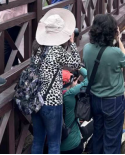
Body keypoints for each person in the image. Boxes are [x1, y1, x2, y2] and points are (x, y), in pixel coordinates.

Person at [31, 9, 81, 155]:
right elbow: (76, 63)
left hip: (35, 100)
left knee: (38, 141)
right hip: (52, 103)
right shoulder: (57, 51)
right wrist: (71, 43)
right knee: (54, 143)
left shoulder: (36, 47)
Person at [83, 14, 125, 154]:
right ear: (112, 32)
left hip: (95, 99)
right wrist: (119, 40)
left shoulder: (87, 49)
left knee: (98, 135)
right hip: (113, 101)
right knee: (112, 139)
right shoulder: (115, 53)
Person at [0, 0, 35, 67]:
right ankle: (10, 70)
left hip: (9, 18)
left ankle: (12, 67)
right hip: (12, 19)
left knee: (11, 45)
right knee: (10, 46)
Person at [61, 68, 88, 154]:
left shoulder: (52, 95)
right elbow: (89, 78)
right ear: (70, 81)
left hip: (56, 146)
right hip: (73, 145)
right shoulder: (69, 94)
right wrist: (79, 67)